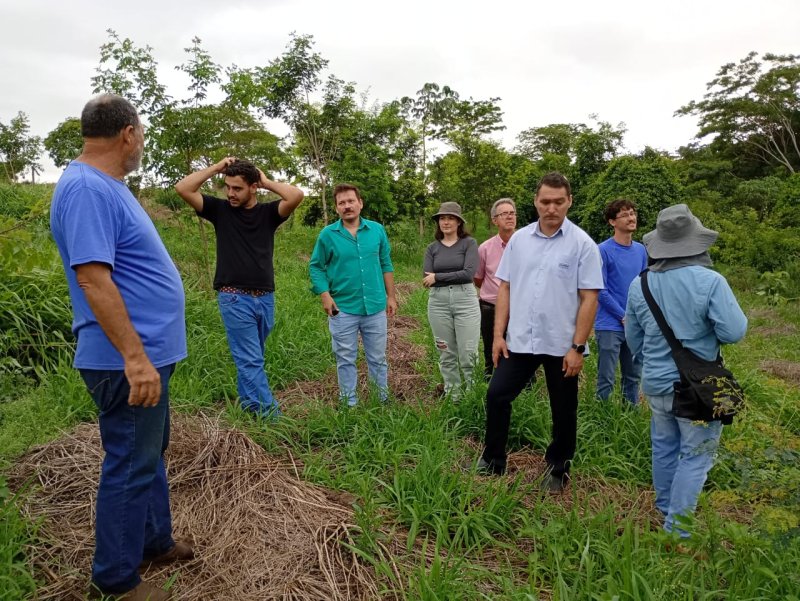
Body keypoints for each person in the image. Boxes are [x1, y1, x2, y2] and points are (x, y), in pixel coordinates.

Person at [50, 94, 192, 601]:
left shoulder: (109, 186)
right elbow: (92, 279)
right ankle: (116, 580)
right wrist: (135, 358)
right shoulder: (87, 188)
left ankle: (154, 542)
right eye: (143, 132)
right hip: (126, 359)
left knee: (148, 454)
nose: (143, 142)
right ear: (128, 133)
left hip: (147, 355)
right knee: (130, 462)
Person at [471, 172, 604, 492]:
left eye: (559, 202)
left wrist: (578, 346)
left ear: (569, 201)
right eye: (545, 201)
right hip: (521, 340)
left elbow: (590, 298)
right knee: (497, 393)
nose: (552, 208)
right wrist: (499, 335)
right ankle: (493, 460)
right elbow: (505, 287)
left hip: (562, 343)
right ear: (536, 202)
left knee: (563, 406)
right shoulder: (520, 240)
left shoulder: (582, 244)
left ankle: (558, 467)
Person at [625, 204, 747, 537]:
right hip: (698, 387)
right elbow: (734, 332)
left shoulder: (642, 284)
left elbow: (633, 339)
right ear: (696, 241)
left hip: (656, 384)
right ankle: (676, 530)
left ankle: (666, 508)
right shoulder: (710, 282)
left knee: (663, 446)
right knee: (696, 455)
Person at [175, 158, 304, 417]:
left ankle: (249, 409)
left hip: (265, 297)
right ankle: (272, 418)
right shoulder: (219, 210)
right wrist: (215, 168)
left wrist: (266, 181)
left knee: (252, 359)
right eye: (227, 187)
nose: (230, 193)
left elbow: (296, 195)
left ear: (253, 187)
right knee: (250, 360)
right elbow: (183, 188)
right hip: (234, 298)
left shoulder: (269, 214)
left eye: (237, 188)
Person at [309, 183, 397, 406]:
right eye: (342, 203)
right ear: (337, 208)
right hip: (343, 308)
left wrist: (391, 296)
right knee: (345, 358)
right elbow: (316, 266)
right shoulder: (328, 235)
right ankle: (349, 403)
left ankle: (381, 399)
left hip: (375, 306)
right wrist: (325, 295)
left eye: (351, 201)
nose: (347, 206)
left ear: (360, 203)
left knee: (377, 358)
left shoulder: (376, 230)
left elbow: (385, 263)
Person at [423, 202, 481, 401]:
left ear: (458, 222)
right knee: (446, 352)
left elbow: (468, 274)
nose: (445, 222)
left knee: (468, 353)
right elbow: (425, 277)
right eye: (442, 218)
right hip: (438, 303)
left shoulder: (469, 244)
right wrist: (437, 278)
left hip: (465, 300)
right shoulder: (432, 248)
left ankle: (473, 395)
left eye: (450, 218)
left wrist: (438, 277)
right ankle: (453, 395)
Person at [595, 199, 648, 404]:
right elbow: (600, 289)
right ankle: (603, 417)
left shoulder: (641, 250)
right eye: (625, 214)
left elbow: (644, 285)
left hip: (634, 324)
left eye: (633, 213)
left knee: (633, 377)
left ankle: (630, 416)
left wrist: (637, 317)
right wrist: (622, 315)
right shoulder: (602, 250)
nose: (631, 217)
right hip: (609, 324)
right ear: (612, 222)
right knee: (606, 378)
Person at [474, 198, 517, 379]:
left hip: (520, 308)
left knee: (521, 349)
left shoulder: (527, 244)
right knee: (491, 348)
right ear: (494, 220)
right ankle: (491, 383)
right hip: (490, 307)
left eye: (512, 213)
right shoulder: (484, 248)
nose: (509, 217)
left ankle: (526, 386)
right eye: (504, 214)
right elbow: (478, 278)